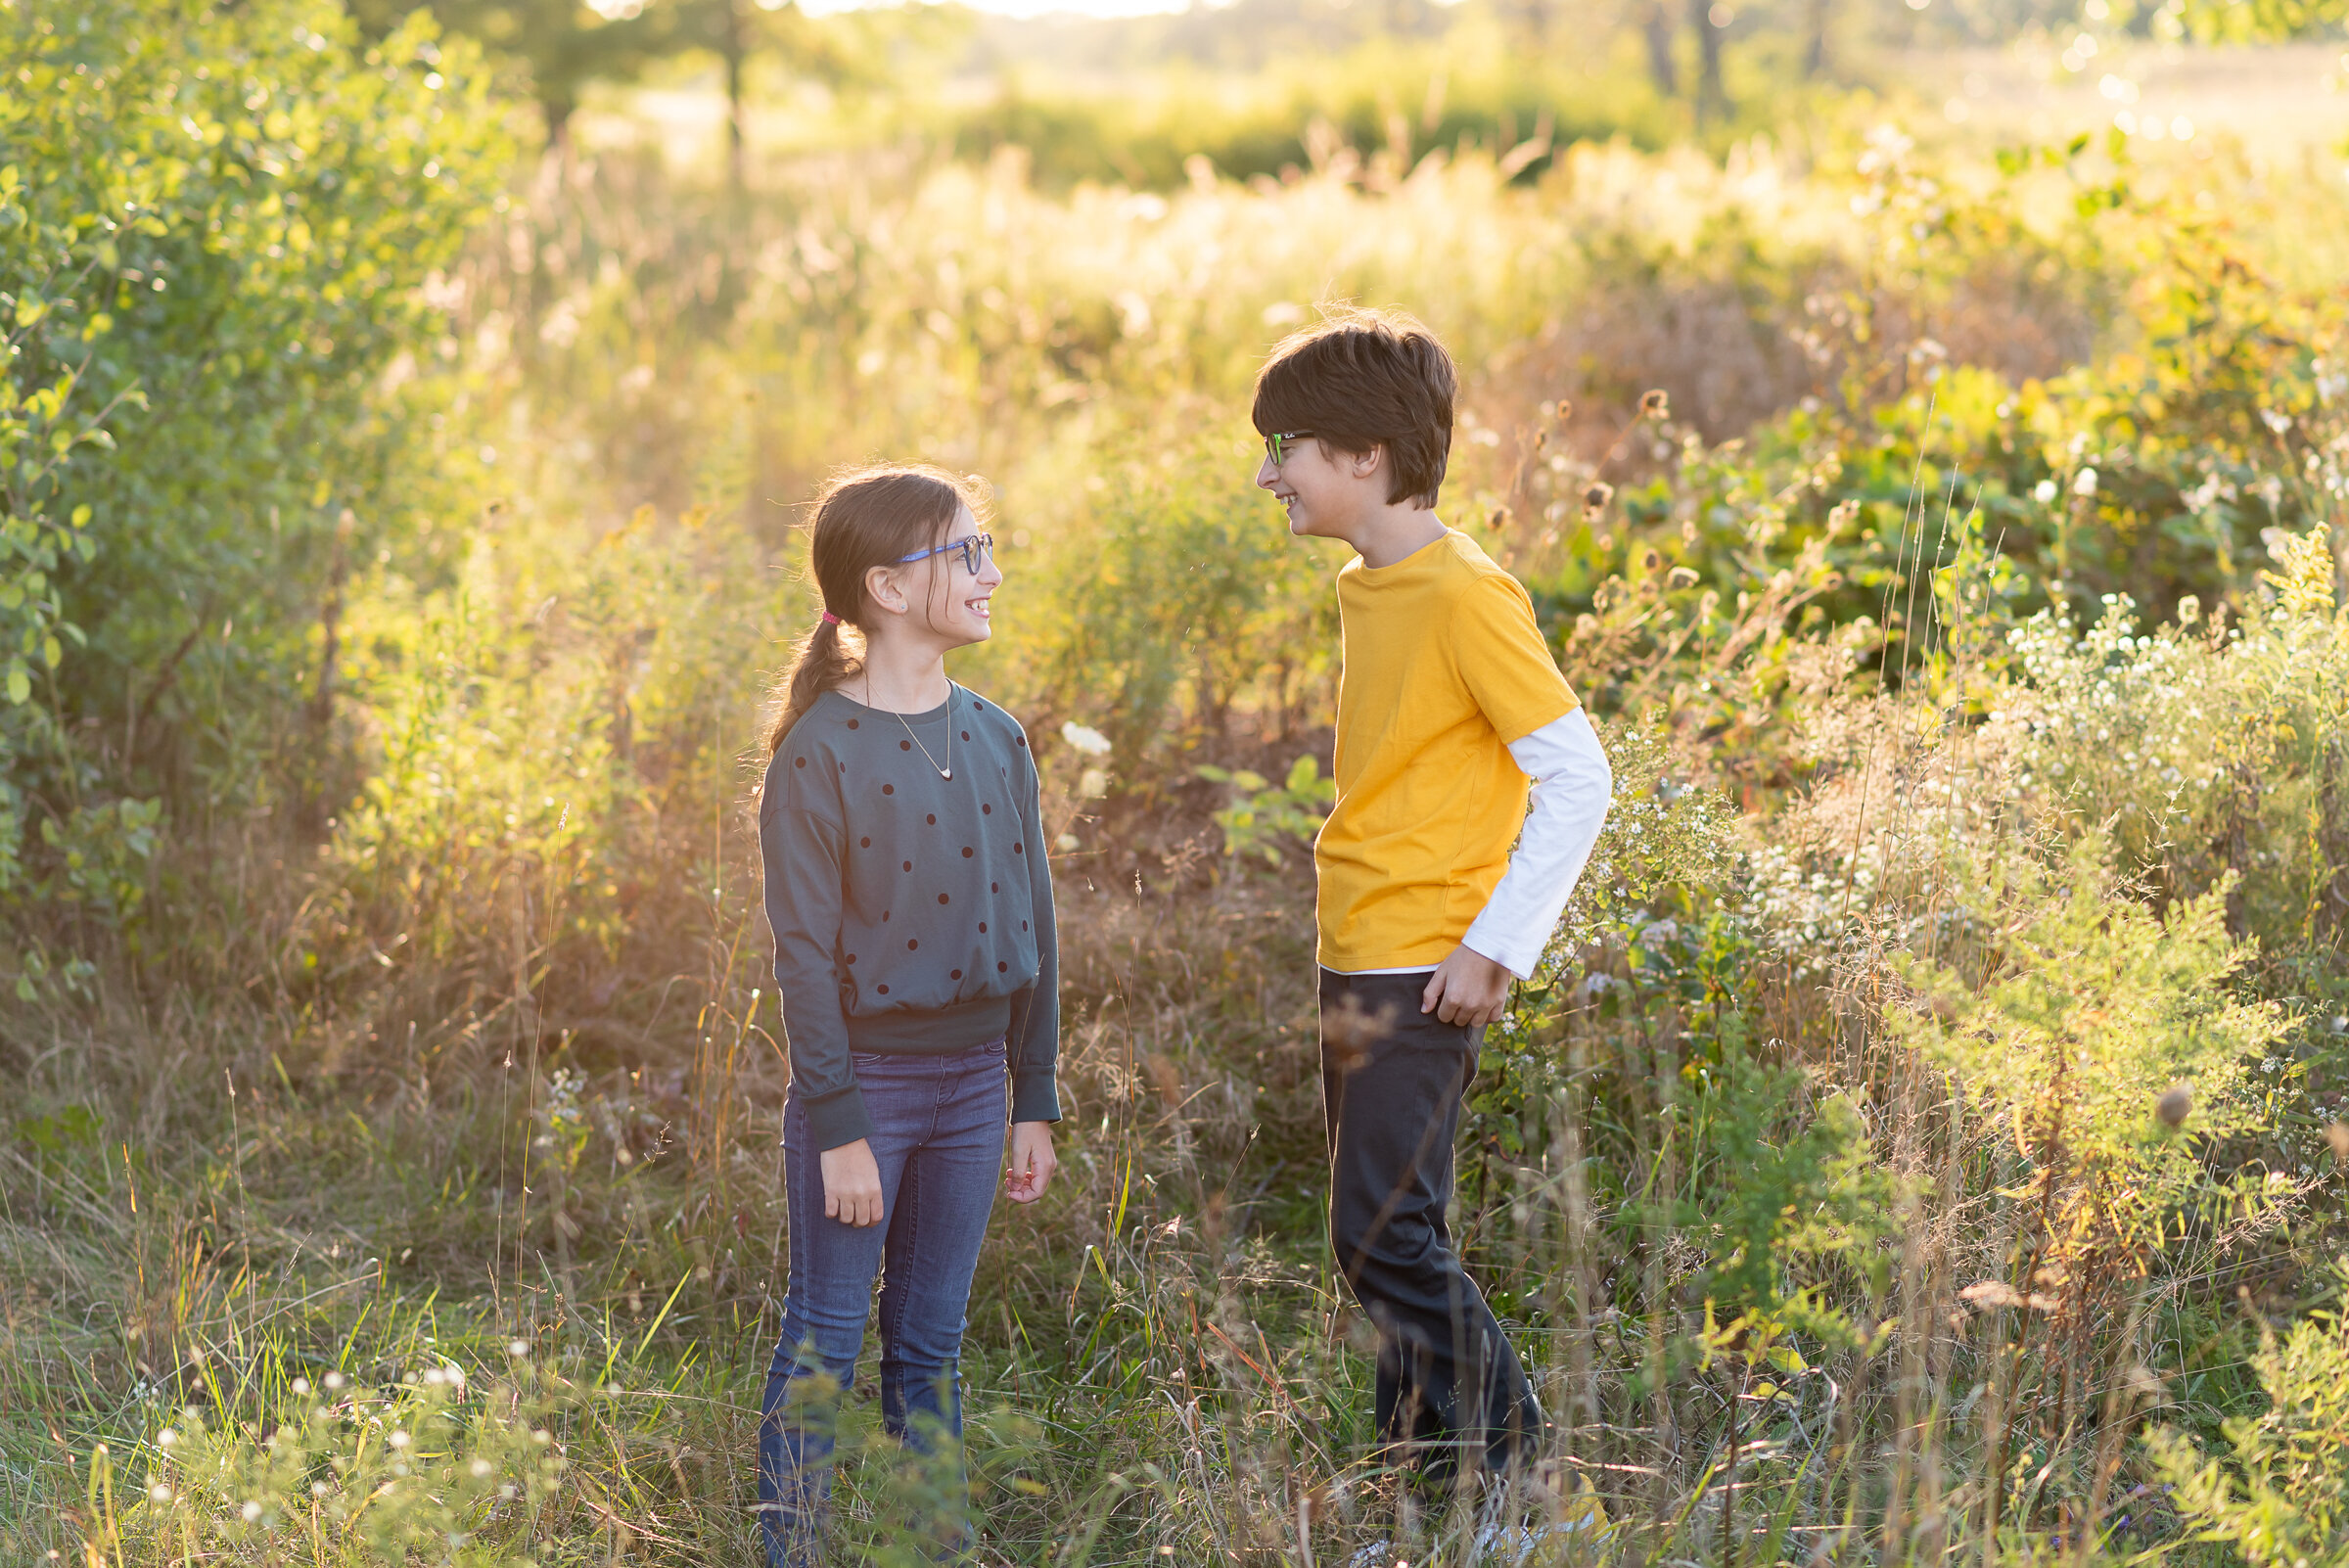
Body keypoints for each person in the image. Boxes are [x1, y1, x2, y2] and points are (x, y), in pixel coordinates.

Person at [1252, 308, 1614, 1495]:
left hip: (1422, 964)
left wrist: (1494, 948)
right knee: (1389, 1238)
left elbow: (1578, 773)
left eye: (1286, 447)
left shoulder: (1464, 591)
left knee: (1380, 1238)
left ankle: (1512, 1475)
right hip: (1358, 950)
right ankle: (1421, 1500)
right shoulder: (1377, 581)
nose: (1269, 474)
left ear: (1363, 456)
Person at [754, 464, 1060, 1566]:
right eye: (966, 554)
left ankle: (936, 1545)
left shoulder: (998, 737)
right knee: (828, 1343)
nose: (992, 572)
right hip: (866, 1094)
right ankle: (794, 1547)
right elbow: (802, 961)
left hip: (979, 1087)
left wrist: (1034, 1094)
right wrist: (838, 1126)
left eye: (987, 548)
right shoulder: (818, 755)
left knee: (931, 1342)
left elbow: (1035, 929)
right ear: (886, 585)